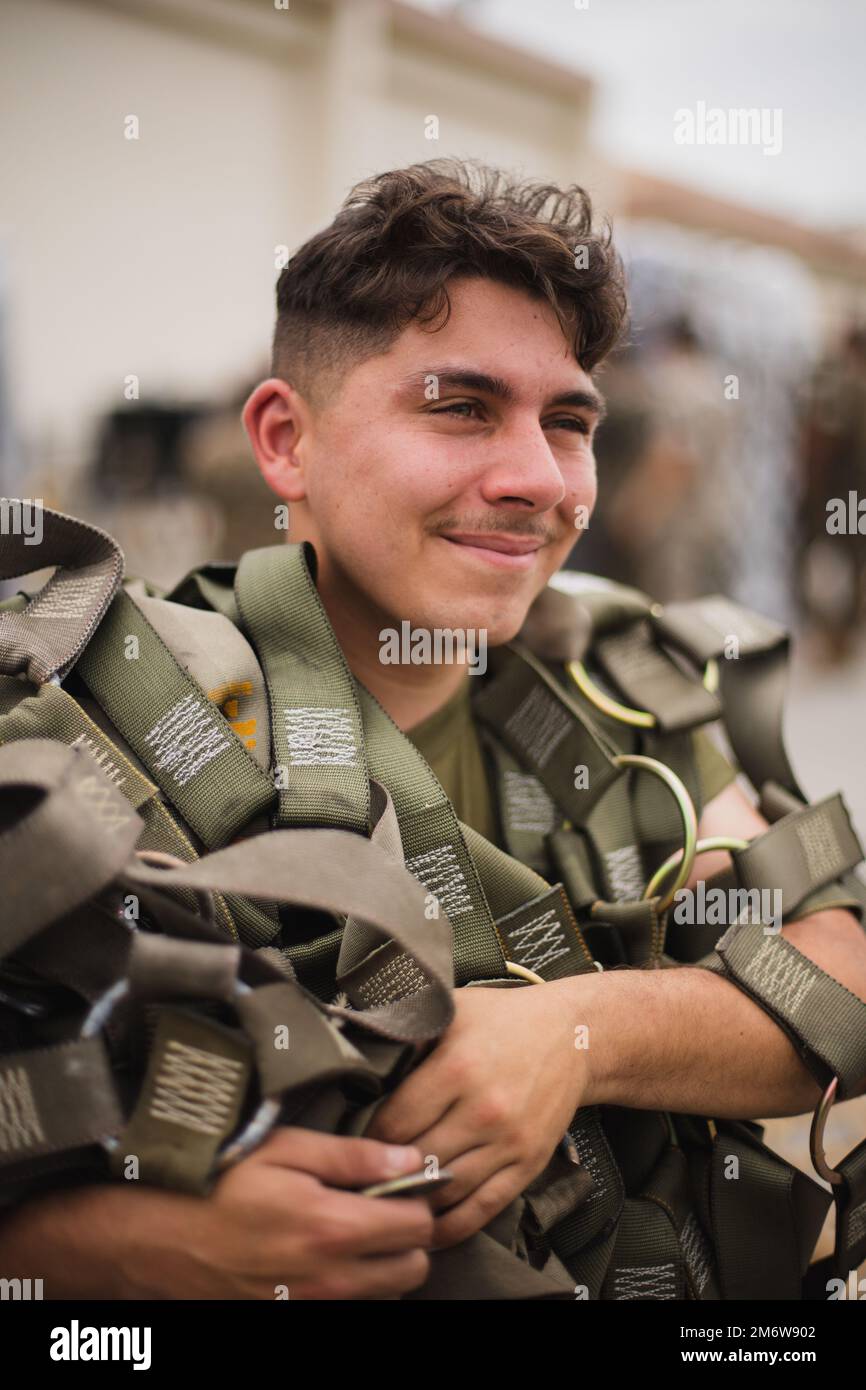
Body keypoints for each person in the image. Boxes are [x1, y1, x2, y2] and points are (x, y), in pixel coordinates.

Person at [1, 160, 865, 1300]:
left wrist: (576, 1034)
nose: (533, 479)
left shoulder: (617, 681)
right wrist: (112, 1252)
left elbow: (834, 967)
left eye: (567, 422)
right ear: (284, 442)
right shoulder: (92, 729)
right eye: (460, 407)